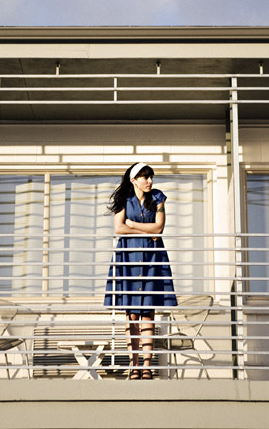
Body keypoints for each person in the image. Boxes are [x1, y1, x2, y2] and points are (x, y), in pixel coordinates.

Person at [104, 162, 177, 379]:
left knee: (148, 313)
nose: (150, 181)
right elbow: (118, 228)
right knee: (132, 313)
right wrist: (142, 227)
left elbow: (159, 228)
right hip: (128, 257)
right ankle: (133, 365)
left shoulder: (158, 198)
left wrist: (132, 224)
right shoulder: (123, 199)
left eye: (151, 177)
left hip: (152, 257)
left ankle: (147, 366)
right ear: (133, 179)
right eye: (145, 177)